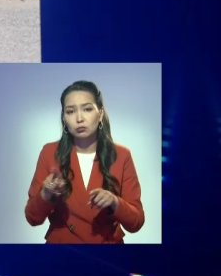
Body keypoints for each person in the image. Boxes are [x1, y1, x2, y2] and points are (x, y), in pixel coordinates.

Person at [24, 80, 144, 243]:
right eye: (70, 111)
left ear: (100, 113)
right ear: (64, 118)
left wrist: (115, 202)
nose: (79, 118)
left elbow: (136, 222)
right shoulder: (49, 152)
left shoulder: (122, 155)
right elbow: (33, 218)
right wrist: (46, 194)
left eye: (87, 109)